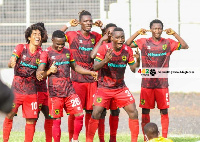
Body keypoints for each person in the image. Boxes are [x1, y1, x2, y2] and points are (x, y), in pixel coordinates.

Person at [125, 19, 189, 140]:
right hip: (147, 84)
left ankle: (163, 138)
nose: (157, 31)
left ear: (162, 29)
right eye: (154, 28)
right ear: (151, 30)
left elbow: (185, 46)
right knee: (145, 112)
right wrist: (138, 32)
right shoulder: (143, 42)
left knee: (164, 111)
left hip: (162, 85)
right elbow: (127, 44)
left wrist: (174, 33)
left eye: (159, 28)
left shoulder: (168, 42)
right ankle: (146, 139)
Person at [36, 30, 98, 142]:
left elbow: (75, 67)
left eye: (62, 44)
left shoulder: (68, 52)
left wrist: (90, 72)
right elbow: (40, 71)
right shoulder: (46, 53)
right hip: (55, 93)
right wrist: (48, 71)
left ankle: (74, 139)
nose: (60, 46)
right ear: (52, 41)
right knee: (57, 120)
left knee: (79, 114)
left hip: (69, 90)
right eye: (57, 44)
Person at [86, 27, 140, 142]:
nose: (120, 40)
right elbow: (94, 67)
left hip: (120, 88)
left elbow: (133, 69)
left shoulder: (127, 50)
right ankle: (89, 139)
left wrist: (138, 62)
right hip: (104, 88)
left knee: (133, 112)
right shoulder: (104, 49)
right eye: (117, 38)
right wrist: (105, 60)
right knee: (96, 112)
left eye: (122, 37)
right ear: (112, 39)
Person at [60, 10, 103, 141]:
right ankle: (73, 138)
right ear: (80, 23)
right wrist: (67, 24)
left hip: (92, 81)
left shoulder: (96, 36)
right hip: (76, 80)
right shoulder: (72, 34)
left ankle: (88, 139)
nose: (88, 23)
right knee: (75, 112)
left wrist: (102, 26)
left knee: (90, 111)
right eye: (85, 21)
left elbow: (108, 38)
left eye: (90, 21)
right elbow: (58, 36)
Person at [3, 24, 44, 142]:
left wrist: (40, 71)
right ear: (29, 37)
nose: (37, 36)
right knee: (10, 115)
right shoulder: (21, 47)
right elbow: (12, 60)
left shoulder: (42, 53)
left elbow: (41, 65)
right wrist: (12, 61)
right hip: (16, 90)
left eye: (39, 34)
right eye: (35, 34)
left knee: (31, 120)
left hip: (31, 92)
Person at [91, 23, 120, 142]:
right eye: (109, 33)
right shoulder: (102, 45)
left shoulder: (119, 46)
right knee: (101, 112)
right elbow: (92, 56)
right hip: (103, 84)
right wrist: (103, 39)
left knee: (115, 111)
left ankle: (113, 138)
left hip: (116, 85)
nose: (111, 35)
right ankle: (101, 139)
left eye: (114, 33)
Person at [34, 22, 53, 142]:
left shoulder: (44, 51)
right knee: (32, 118)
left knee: (49, 115)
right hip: (33, 91)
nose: (46, 34)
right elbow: (38, 76)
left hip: (44, 90)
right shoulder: (28, 51)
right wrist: (50, 71)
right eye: (44, 32)